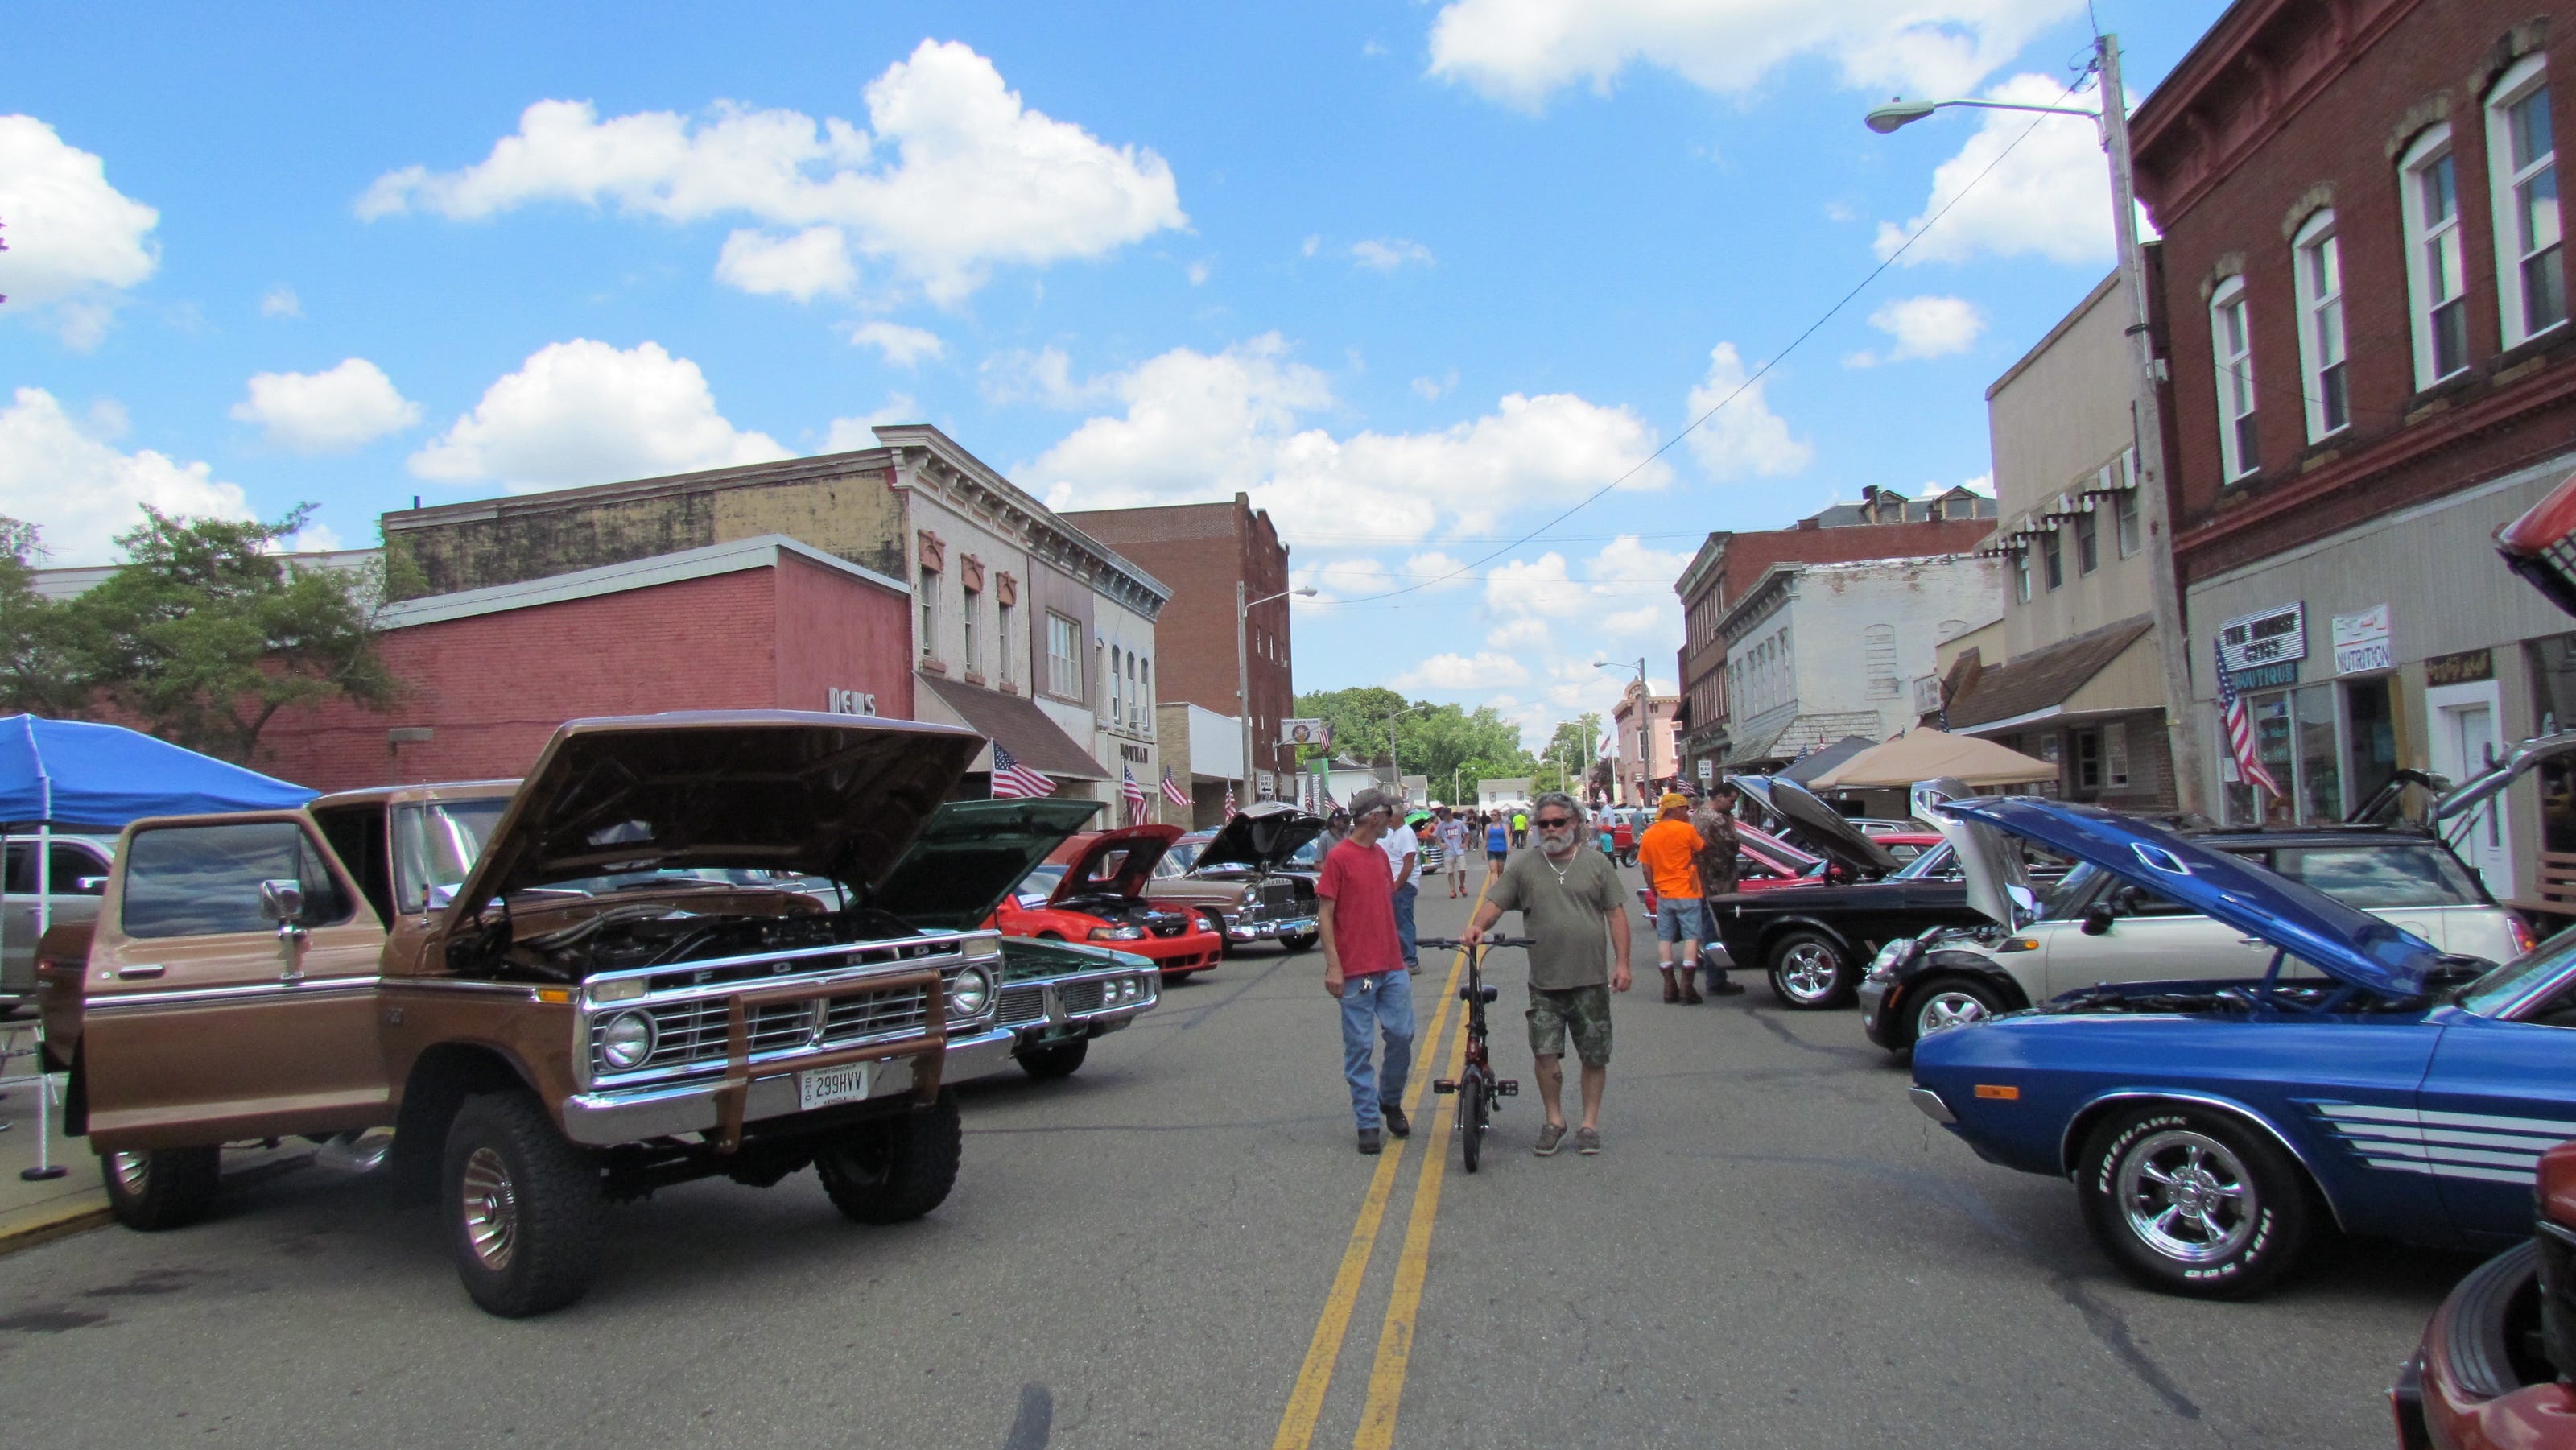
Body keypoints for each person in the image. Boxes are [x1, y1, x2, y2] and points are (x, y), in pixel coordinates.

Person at [1462, 791, 1632, 1156]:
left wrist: (1622, 964)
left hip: (1590, 980)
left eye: (1558, 822)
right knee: (1544, 1055)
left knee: (1594, 1056)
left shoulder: (1597, 864)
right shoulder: (1524, 865)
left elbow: (1616, 915)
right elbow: (1495, 902)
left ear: (1574, 823)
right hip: (1544, 982)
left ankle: (1589, 1125)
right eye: (1544, 824)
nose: (1551, 829)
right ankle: (1554, 1120)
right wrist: (1478, 926)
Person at [1317, 790, 1415, 1155]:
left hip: (1391, 965)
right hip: (1356, 971)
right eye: (1389, 811)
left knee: (1402, 1034)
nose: (1394, 816)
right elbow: (1325, 914)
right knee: (1360, 1047)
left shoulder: (1379, 857)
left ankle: (1389, 1099)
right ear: (1374, 816)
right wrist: (1334, 966)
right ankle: (1367, 1122)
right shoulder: (1340, 858)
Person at [1636, 792, 1706, 1004]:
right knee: (1692, 938)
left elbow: (1646, 869)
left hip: (1664, 893)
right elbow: (1702, 849)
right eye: (1684, 808)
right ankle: (1686, 987)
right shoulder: (1686, 830)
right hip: (1688, 891)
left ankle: (1669, 987)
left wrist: (1654, 889)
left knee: (1664, 939)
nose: (1687, 812)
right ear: (1675, 809)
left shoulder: (1650, 834)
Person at [1691, 783, 1748, 997]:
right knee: (1715, 933)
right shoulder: (1716, 819)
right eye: (1731, 801)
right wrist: (1732, 826)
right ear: (1720, 797)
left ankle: (1715, 977)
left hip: (1703, 881)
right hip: (1718, 884)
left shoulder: (1697, 815)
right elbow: (1732, 846)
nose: (1732, 807)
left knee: (1708, 931)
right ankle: (1716, 979)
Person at [1381, 805, 1422, 973]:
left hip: (1404, 885)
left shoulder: (1405, 833)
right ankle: (1399, 958)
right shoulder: (1396, 833)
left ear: (1397, 817)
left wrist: (1396, 886)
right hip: (1397, 884)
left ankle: (1411, 960)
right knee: (1396, 922)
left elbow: (1409, 863)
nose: (1388, 820)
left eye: (1390, 816)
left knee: (1403, 923)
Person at [1441, 811, 1472, 899]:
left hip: (1459, 850)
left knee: (1462, 869)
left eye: (1445, 815)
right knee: (1450, 871)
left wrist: (1465, 843)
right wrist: (1440, 844)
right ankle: (1452, 890)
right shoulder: (1441, 825)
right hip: (1448, 851)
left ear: (1449, 815)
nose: (1444, 818)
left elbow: (1467, 833)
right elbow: (1434, 835)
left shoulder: (1459, 823)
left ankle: (1462, 885)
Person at [1484, 811, 1511, 877]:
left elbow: (1507, 837)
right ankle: (1494, 887)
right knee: (1493, 870)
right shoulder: (1488, 826)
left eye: (1495, 815)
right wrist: (1483, 850)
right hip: (1491, 850)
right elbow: (1485, 839)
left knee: (1500, 870)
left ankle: (1499, 885)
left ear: (1499, 816)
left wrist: (1508, 847)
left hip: (1502, 850)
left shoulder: (1504, 826)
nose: (1493, 816)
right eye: (1492, 815)